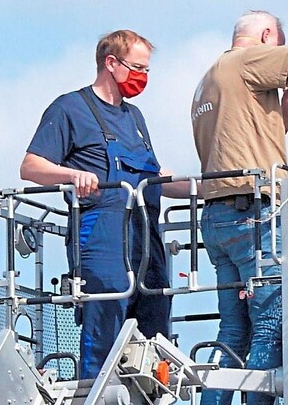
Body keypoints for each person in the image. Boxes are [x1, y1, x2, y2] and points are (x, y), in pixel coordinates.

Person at [190, 0, 288, 405]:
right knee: (272, 325)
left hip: (218, 217)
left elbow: (267, 127)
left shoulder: (212, 77)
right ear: (267, 36)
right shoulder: (246, 60)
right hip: (250, 214)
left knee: (233, 329)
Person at [20, 30, 191, 379]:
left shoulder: (136, 118)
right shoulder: (70, 108)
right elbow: (31, 167)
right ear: (111, 63)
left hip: (147, 240)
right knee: (105, 324)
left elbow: (153, 176)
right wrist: (72, 175)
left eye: (147, 69)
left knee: (154, 326)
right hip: (103, 239)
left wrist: (204, 187)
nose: (143, 76)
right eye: (137, 67)